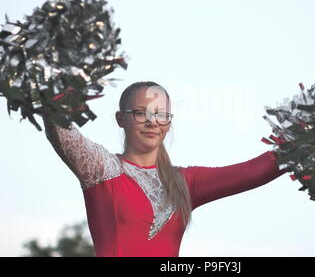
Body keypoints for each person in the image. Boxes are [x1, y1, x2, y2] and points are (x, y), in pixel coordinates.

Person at [42, 81, 286, 257]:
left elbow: (256, 170)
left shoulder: (186, 181)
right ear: (120, 119)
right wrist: (59, 84)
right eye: (140, 113)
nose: (152, 122)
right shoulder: (101, 168)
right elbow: (59, 128)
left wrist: (307, 140)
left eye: (161, 115)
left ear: (169, 122)